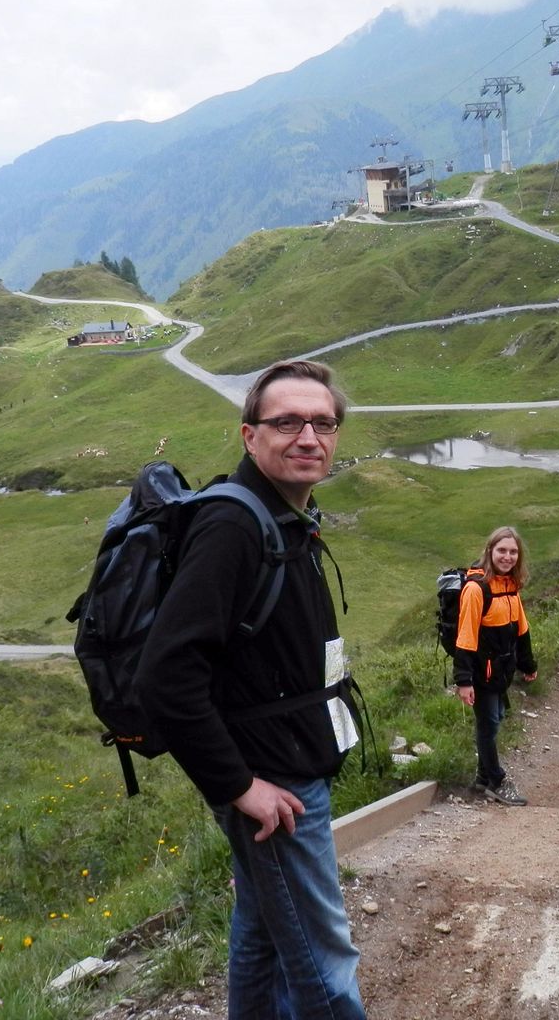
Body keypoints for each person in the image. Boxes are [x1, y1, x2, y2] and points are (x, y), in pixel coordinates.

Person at [137, 359, 365, 1020]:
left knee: (264, 935)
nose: (308, 437)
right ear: (249, 436)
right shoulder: (234, 528)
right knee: (326, 962)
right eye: (287, 421)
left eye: (322, 422)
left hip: (287, 768)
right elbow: (165, 676)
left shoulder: (288, 514)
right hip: (276, 784)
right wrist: (239, 787)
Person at [453, 525, 538, 806]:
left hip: (501, 671)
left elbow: (521, 629)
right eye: (502, 550)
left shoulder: (511, 586)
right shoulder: (477, 589)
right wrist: (464, 681)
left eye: (513, 551)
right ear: (490, 551)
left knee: (496, 718)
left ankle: (482, 777)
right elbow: (465, 636)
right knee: (488, 724)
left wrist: (528, 665)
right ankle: (497, 782)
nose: (508, 556)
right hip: (482, 672)